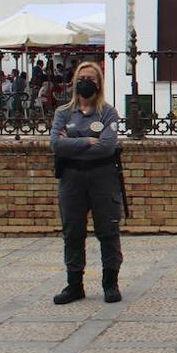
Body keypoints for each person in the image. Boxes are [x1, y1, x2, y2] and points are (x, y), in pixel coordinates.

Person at [49, 60, 124, 305]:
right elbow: (55, 145)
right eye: (82, 78)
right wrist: (86, 142)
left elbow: (107, 146)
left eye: (91, 79)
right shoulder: (63, 113)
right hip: (71, 179)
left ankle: (110, 284)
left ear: (99, 83)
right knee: (72, 232)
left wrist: (73, 142)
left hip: (102, 177)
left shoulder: (108, 112)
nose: (86, 83)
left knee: (108, 231)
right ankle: (74, 285)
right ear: (74, 82)